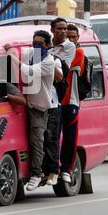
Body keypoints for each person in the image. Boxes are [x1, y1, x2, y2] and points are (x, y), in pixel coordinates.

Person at [5, 30, 55, 191]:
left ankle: (36, 173)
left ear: (48, 45)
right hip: (25, 104)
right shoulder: (31, 55)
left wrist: (11, 55)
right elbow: (17, 48)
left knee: (36, 141)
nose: (36, 46)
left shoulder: (48, 62)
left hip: (39, 107)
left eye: (40, 43)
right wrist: (10, 50)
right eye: (34, 42)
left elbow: (27, 71)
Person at [42, 18, 76, 186]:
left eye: (65, 28)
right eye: (59, 28)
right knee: (43, 135)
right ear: (52, 30)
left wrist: (46, 54)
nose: (63, 31)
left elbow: (61, 68)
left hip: (61, 97)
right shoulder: (46, 46)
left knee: (56, 135)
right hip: (42, 96)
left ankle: (59, 170)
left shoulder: (69, 46)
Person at [59, 24, 85, 183]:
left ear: (77, 39)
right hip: (55, 102)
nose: (70, 40)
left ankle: (66, 169)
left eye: (73, 37)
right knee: (53, 137)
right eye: (67, 37)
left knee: (70, 138)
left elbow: (64, 65)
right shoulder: (58, 50)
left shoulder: (79, 52)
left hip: (71, 102)